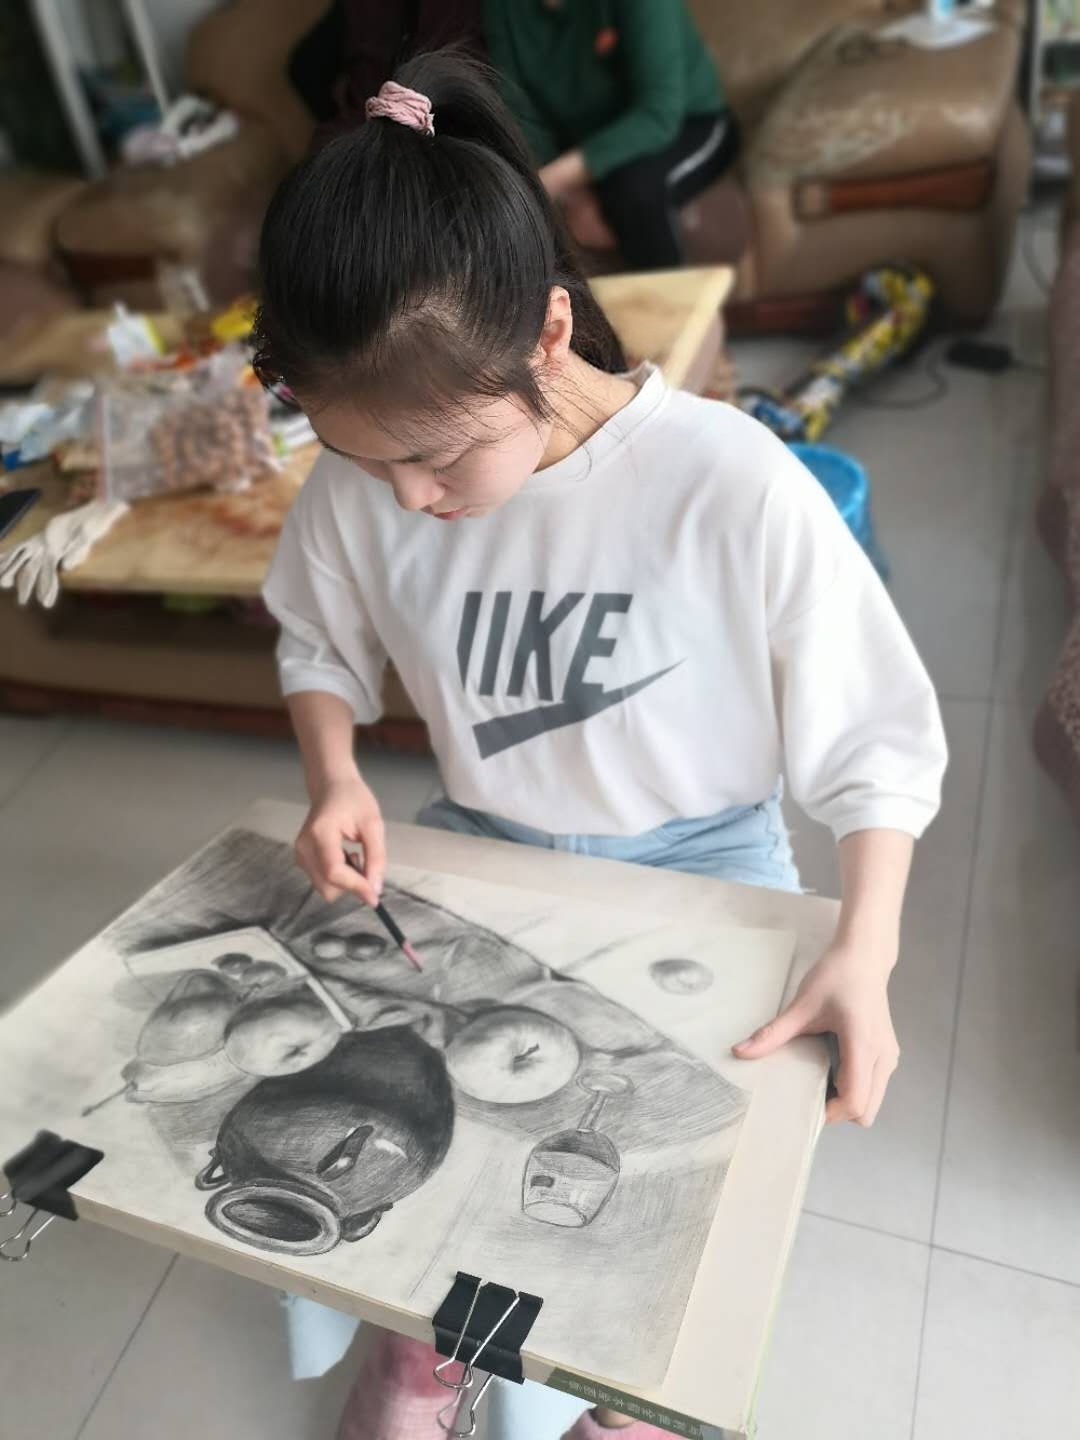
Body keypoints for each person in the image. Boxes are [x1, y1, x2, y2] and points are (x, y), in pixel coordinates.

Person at [254, 50, 946, 1440]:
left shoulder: (726, 480)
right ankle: (428, 1348)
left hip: (706, 862)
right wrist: (334, 774)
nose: (410, 499)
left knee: (659, 1181)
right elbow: (317, 638)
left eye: (438, 457)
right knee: (419, 1113)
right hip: (492, 846)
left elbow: (876, 737)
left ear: (550, 336)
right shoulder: (364, 481)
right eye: (370, 461)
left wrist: (863, 948)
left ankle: (626, 1400)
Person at [484, 0, 739, 268]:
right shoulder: (501, 8)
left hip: (690, 122)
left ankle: (676, 294)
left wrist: (553, 181)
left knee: (633, 191)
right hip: (585, 144)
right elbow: (520, 114)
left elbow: (658, 114)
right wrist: (568, 193)